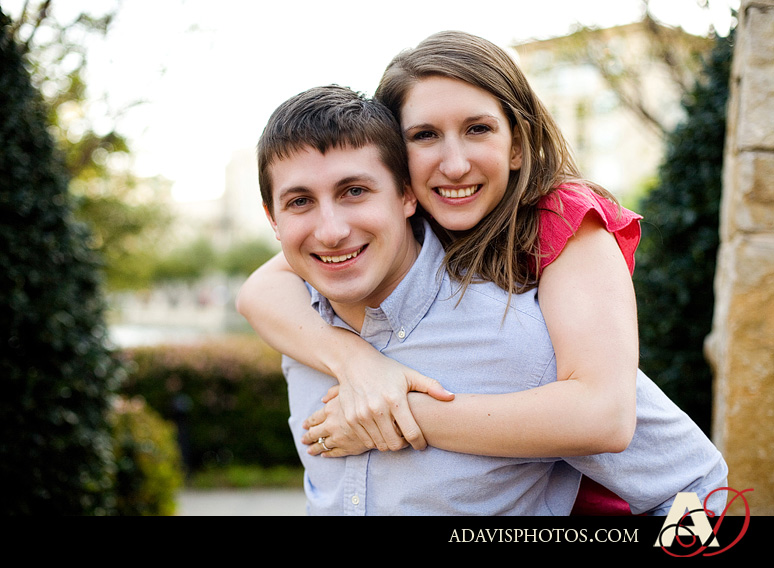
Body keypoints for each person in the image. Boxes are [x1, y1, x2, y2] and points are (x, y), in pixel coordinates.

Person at [256, 83, 726, 516]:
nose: (332, 231)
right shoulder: (301, 323)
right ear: (272, 219)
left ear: (406, 195)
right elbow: (257, 291)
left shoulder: (519, 338)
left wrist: (404, 411)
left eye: (355, 191)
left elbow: (696, 481)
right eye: (299, 202)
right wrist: (353, 360)